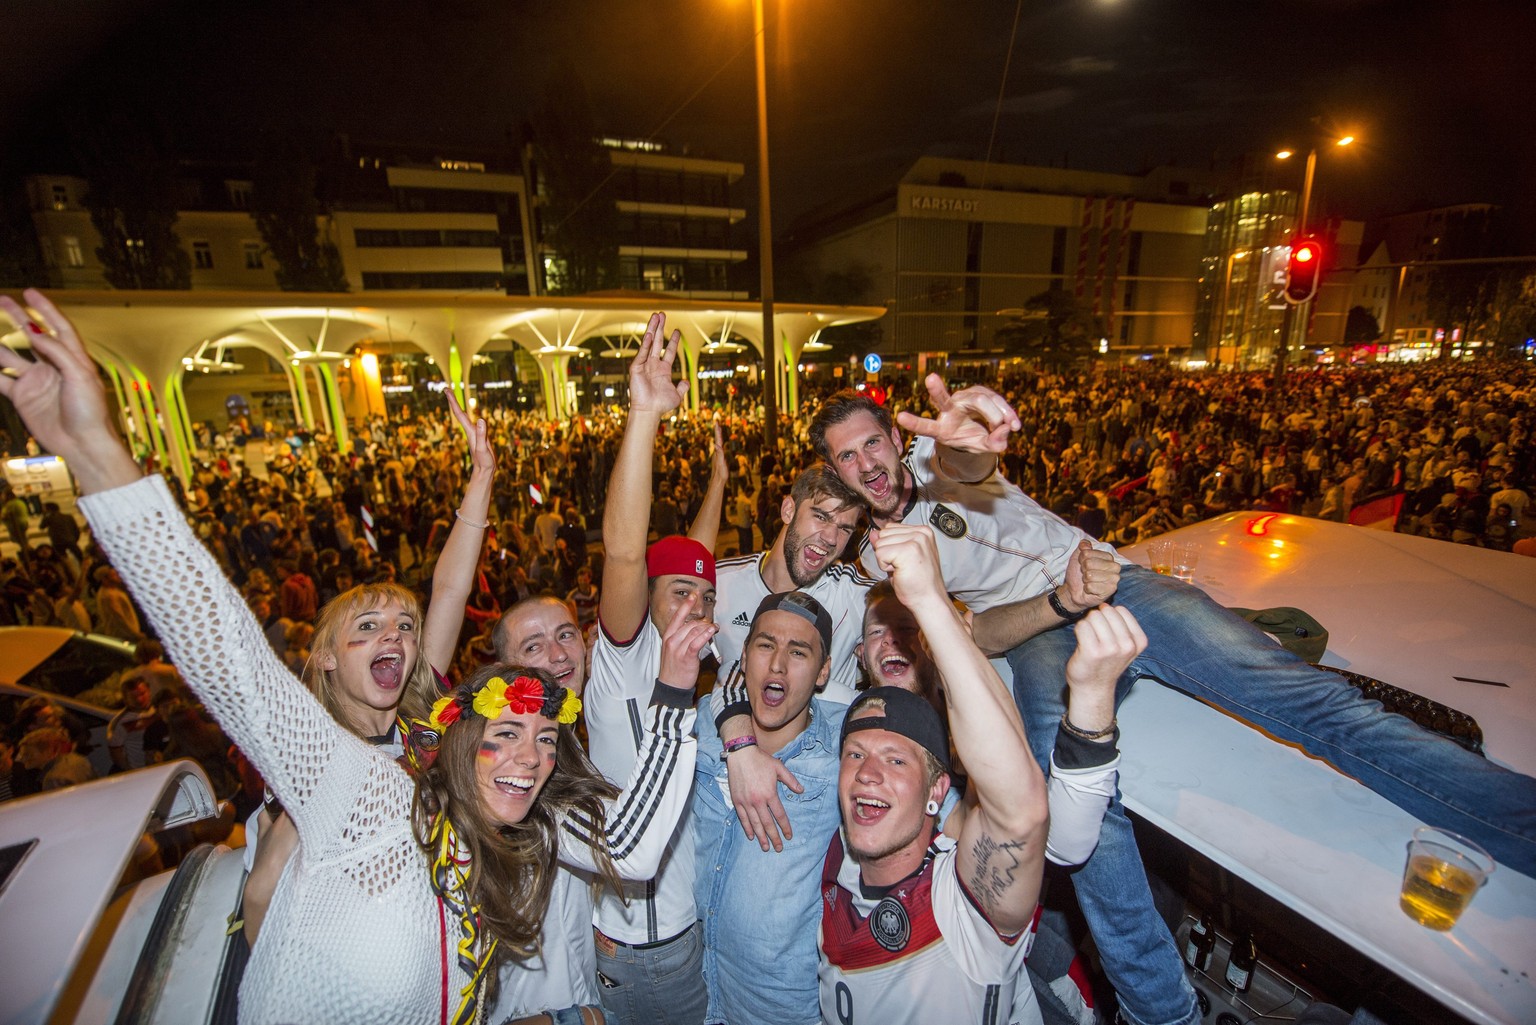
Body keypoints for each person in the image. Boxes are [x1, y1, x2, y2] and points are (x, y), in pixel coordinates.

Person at [0, 288, 698, 1024]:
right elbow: (227, 653)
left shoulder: (457, 786)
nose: (396, 635)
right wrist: (94, 450)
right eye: (366, 627)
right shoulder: (341, 778)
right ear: (324, 658)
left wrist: (484, 477)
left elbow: (451, 593)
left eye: (544, 739)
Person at [810, 379, 1536, 1025]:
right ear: (837, 472)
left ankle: (1519, 822)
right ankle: (1160, 1008)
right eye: (848, 456)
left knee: (1307, 702)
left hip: (1123, 582)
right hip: (1040, 640)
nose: (868, 462)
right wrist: (1060, 602)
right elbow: (978, 629)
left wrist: (970, 428)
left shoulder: (942, 456)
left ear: (897, 438)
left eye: (874, 441)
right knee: (1076, 809)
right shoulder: (880, 557)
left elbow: (971, 458)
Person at [819, 523, 1132, 1024]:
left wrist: (1090, 713)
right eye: (876, 632)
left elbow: (1053, 837)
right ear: (860, 655)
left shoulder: (985, 715)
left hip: (980, 931)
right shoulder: (841, 716)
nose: (869, 772)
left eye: (905, 627)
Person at [585, 311, 725, 1025]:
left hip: (693, 928)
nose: (697, 606)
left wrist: (719, 480)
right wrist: (645, 417)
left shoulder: (691, 661)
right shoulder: (622, 657)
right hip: (645, 947)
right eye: (681, 595)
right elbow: (629, 551)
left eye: (707, 597)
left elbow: (691, 560)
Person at [691, 590, 845, 1025]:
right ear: (744, 655)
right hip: (696, 990)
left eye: (799, 652)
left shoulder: (846, 747)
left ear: (823, 672)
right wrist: (738, 743)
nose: (777, 664)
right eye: (765, 645)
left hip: (781, 1007)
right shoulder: (702, 721)